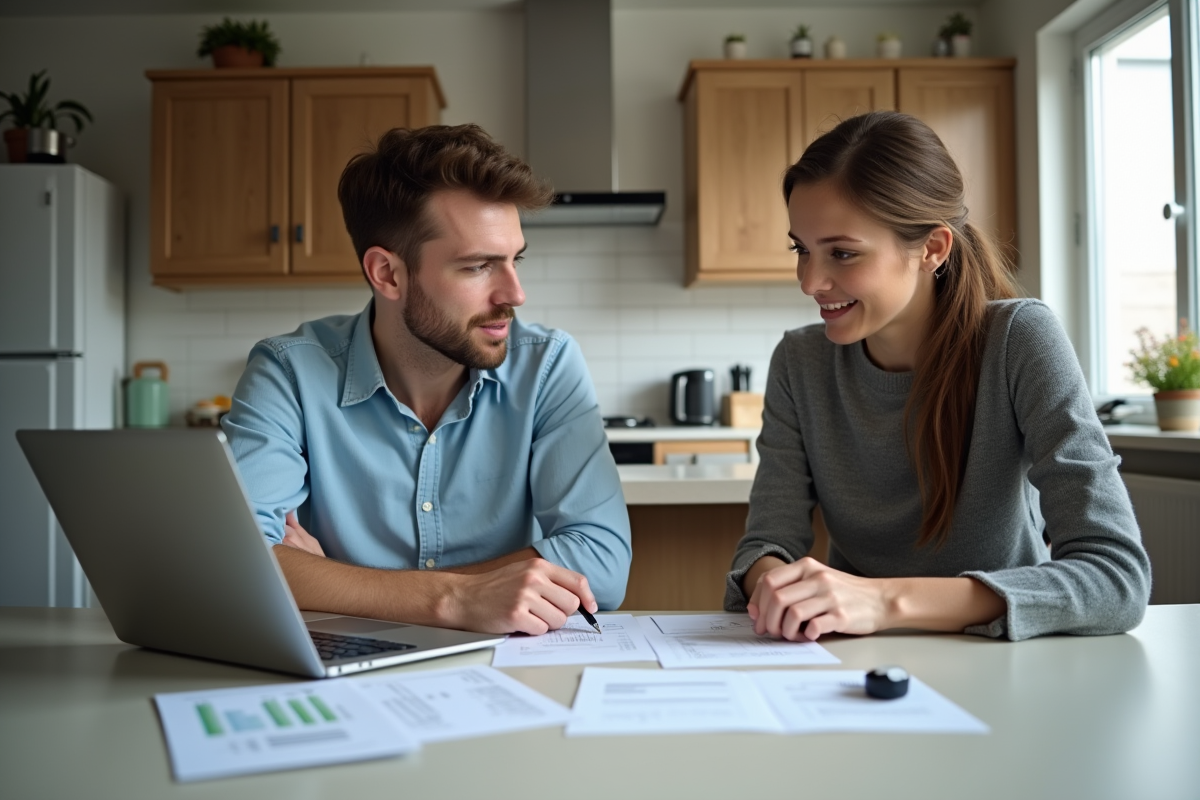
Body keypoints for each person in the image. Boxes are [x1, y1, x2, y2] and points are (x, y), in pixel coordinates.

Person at [726, 111, 1151, 642]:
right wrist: (771, 582)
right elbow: (768, 544)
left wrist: (885, 601)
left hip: (1007, 663)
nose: (811, 281)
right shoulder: (799, 361)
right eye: (801, 250)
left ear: (932, 249)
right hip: (852, 664)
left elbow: (1116, 578)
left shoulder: (1019, 340)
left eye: (843, 252)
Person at [222, 124, 631, 635]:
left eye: (514, 260)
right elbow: (237, 565)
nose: (515, 293)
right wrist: (455, 599)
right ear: (388, 274)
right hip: (347, 669)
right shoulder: (289, 371)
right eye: (479, 266)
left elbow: (602, 560)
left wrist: (334, 581)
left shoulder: (546, 364)